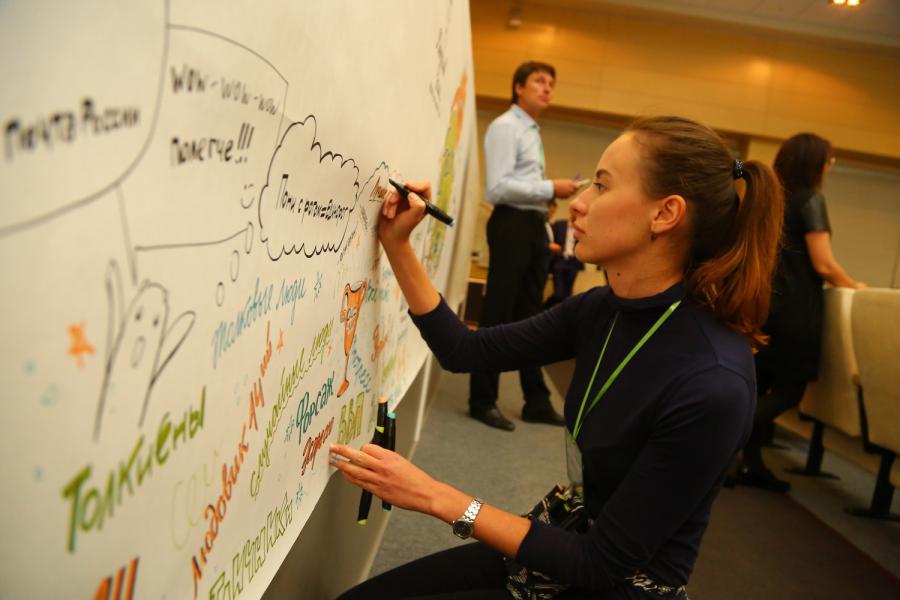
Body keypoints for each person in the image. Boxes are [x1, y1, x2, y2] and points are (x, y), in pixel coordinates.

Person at [331, 115, 784, 599]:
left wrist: (434, 496)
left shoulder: (714, 383)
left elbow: (598, 564)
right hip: (565, 538)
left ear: (665, 214)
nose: (578, 203)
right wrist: (397, 242)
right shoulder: (603, 308)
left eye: (602, 186)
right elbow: (464, 350)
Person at [735, 133, 867, 493]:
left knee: (759, 386)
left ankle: (751, 463)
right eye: (829, 160)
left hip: (764, 303)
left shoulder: (772, 199)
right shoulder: (811, 200)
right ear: (816, 164)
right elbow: (823, 264)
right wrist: (856, 287)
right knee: (789, 391)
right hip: (796, 309)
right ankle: (724, 441)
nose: (830, 166)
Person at [473, 60, 581, 431]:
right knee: (498, 311)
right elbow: (497, 188)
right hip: (512, 224)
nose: (547, 88)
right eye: (539, 81)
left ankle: (537, 400)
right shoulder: (506, 126)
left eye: (552, 83)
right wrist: (551, 187)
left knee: (532, 318)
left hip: (534, 226)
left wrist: (548, 194)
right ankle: (481, 399)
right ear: (519, 87)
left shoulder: (531, 131)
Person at [544, 201, 585, 309]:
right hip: (559, 261)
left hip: (574, 263)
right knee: (559, 294)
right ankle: (544, 308)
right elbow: (549, 239)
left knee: (568, 294)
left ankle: (562, 316)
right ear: (570, 212)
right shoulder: (559, 224)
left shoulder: (582, 229)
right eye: (574, 212)